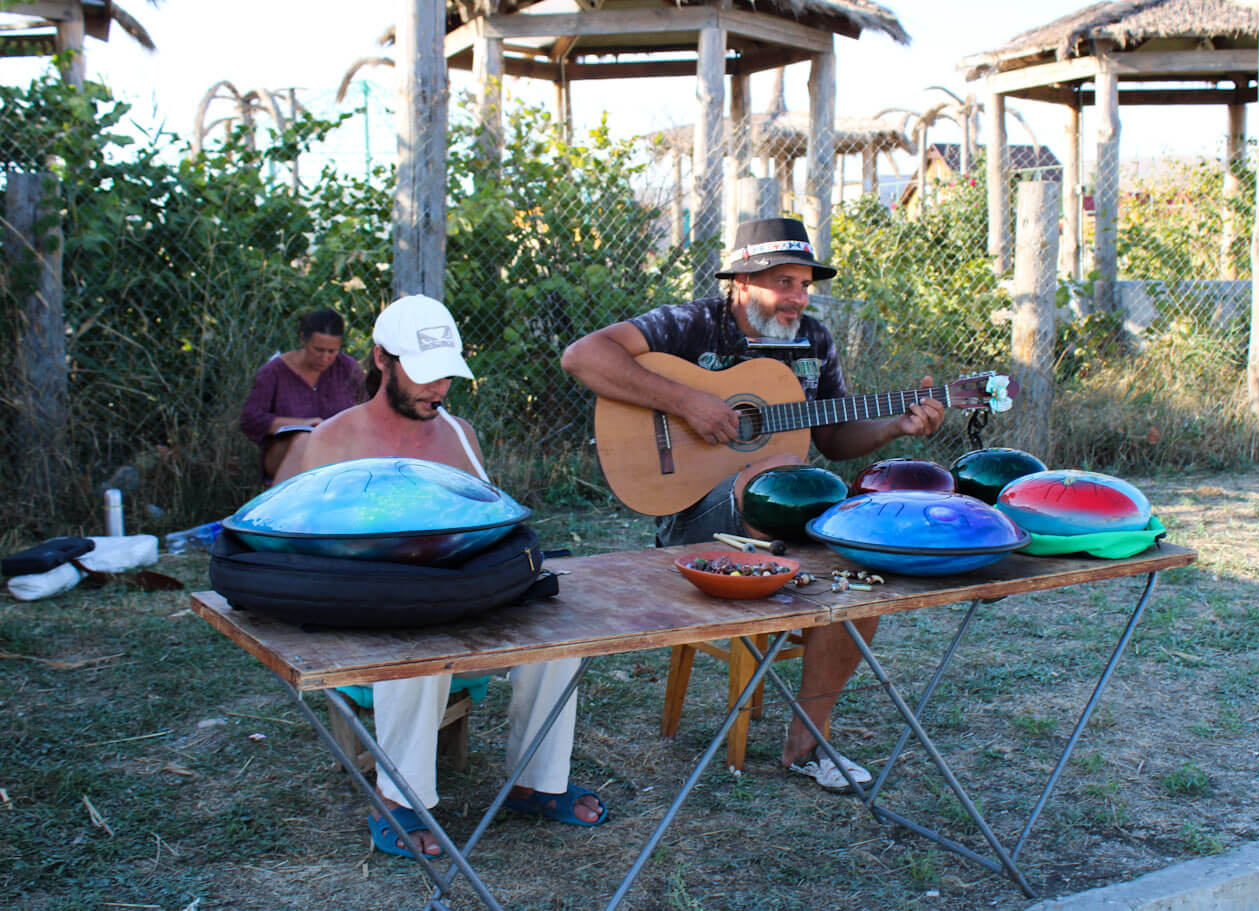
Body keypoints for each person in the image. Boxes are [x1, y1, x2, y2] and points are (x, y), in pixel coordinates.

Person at [560, 217, 946, 792]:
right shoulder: (691, 324)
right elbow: (583, 357)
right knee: (774, 475)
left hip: (778, 515)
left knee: (865, 570)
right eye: (782, 282)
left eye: (804, 283)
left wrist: (895, 425)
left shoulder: (813, 341)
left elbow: (834, 439)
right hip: (693, 514)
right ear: (741, 283)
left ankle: (809, 742)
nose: (797, 297)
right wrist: (688, 401)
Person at [279, 294, 604, 859]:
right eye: (424, 375)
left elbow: (487, 526)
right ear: (382, 359)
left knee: (560, 640)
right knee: (415, 634)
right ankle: (402, 801)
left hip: (456, 599)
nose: (438, 390)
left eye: (446, 376)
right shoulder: (332, 441)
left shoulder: (458, 436)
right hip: (367, 612)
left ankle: (536, 782)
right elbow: (305, 546)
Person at [239, 308, 365, 483]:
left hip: (338, 450)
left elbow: (370, 407)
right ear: (303, 339)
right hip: (285, 453)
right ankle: (281, 507)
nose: (325, 358)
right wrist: (301, 424)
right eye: (318, 350)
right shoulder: (275, 372)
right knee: (305, 441)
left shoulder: (347, 368)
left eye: (332, 351)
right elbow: (250, 419)